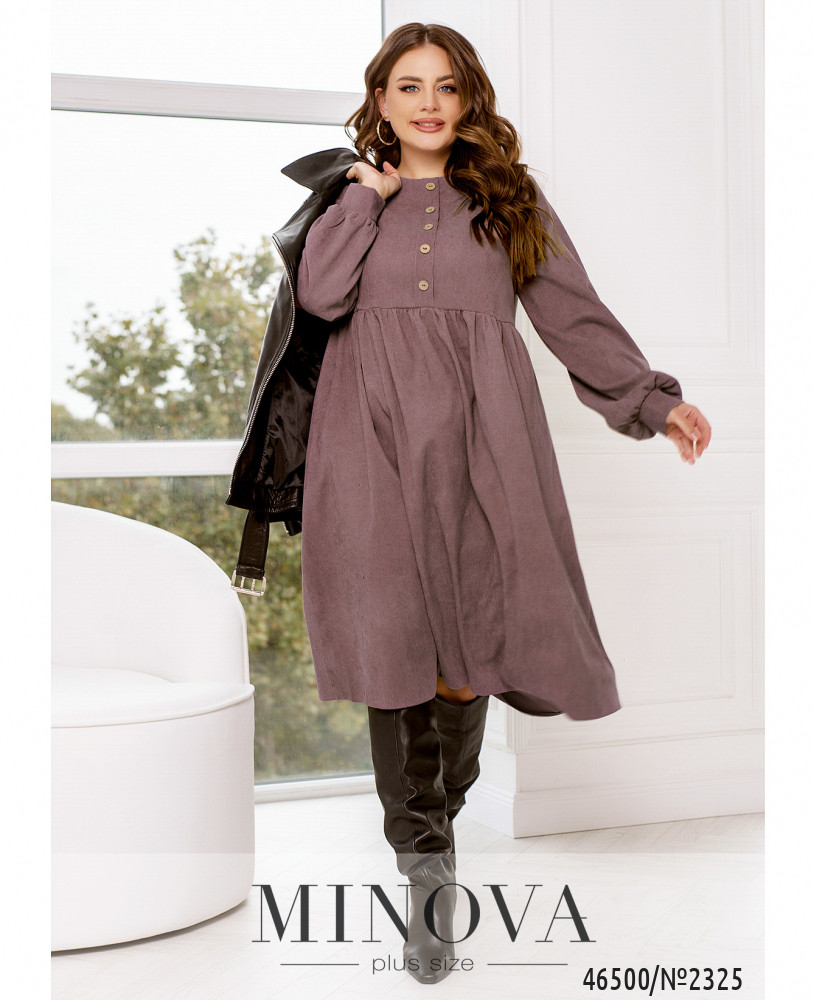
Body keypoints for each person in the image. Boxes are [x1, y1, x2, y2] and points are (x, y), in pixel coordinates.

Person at [292, 22, 711, 985]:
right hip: (368, 442)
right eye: (409, 86)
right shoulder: (352, 197)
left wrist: (654, 402)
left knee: (469, 642)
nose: (428, 103)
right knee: (394, 645)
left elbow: (571, 311)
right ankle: (426, 872)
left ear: (468, 98)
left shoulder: (508, 199)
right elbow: (320, 296)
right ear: (382, 101)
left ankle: (441, 814)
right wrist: (366, 196)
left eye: (446, 86)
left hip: (485, 440)